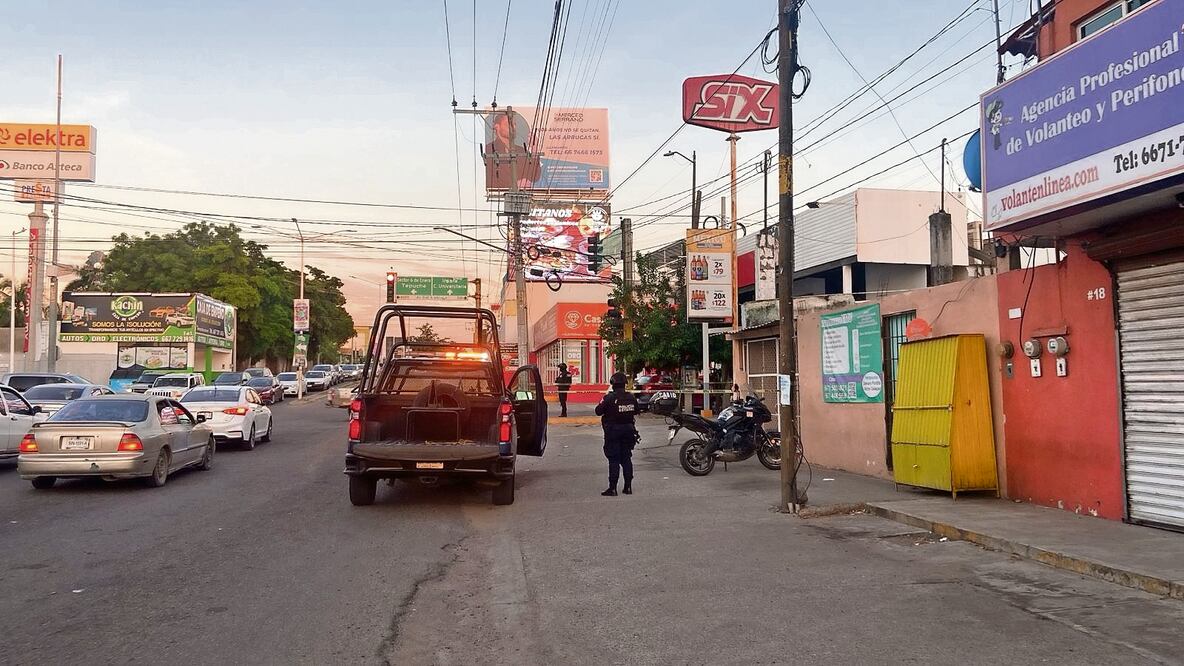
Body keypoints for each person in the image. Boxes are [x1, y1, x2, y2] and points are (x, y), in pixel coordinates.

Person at [594, 372, 638, 496]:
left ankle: (612, 488)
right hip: (628, 431)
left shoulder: (609, 398)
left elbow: (598, 411)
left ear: (613, 384)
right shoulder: (631, 397)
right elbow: (636, 410)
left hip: (613, 431)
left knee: (614, 459)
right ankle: (628, 487)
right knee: (626, 458)